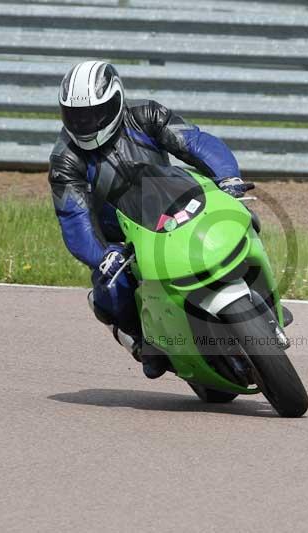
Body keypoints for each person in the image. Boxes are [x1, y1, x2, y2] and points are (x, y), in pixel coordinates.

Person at [48, 60, 252, 379]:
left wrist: (228, 177)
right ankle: (145, 342)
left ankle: (255, 288)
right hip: (123, 237)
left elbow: (194, 143)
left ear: (116, 100)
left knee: (243, 216)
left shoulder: (146, 115)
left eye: (93, 113)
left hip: (174, 201)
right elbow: (73, 217)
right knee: (110, 287)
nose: (85, 123)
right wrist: (104, 256)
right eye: (76, 116)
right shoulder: (66, 159)